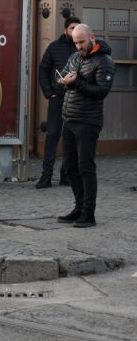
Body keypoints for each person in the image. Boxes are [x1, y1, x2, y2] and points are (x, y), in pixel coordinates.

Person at [57, 24, 115, 228]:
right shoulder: (74, 57)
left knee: (86, 168)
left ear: (92, 37)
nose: (79, 46)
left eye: (82, 42)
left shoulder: (104, 61)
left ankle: (89, 214)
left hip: (88, 121)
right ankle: (79, 208)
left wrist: (75, 83)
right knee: (70, 166)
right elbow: (62, 76)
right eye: (75, 42)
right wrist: (63, 80)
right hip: (69, 118)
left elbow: (101, 91)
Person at [36, 13, 79, 188]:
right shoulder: (54, 47)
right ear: (65, 30)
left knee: (72, 138)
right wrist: (49, 93)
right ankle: (46, 177)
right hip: (57, 99)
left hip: (76, 100)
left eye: (77, 28)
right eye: (72, 28)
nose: (75, 31)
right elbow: (43, 71)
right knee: (53, 136)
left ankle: (66, 176)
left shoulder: (81, 48)